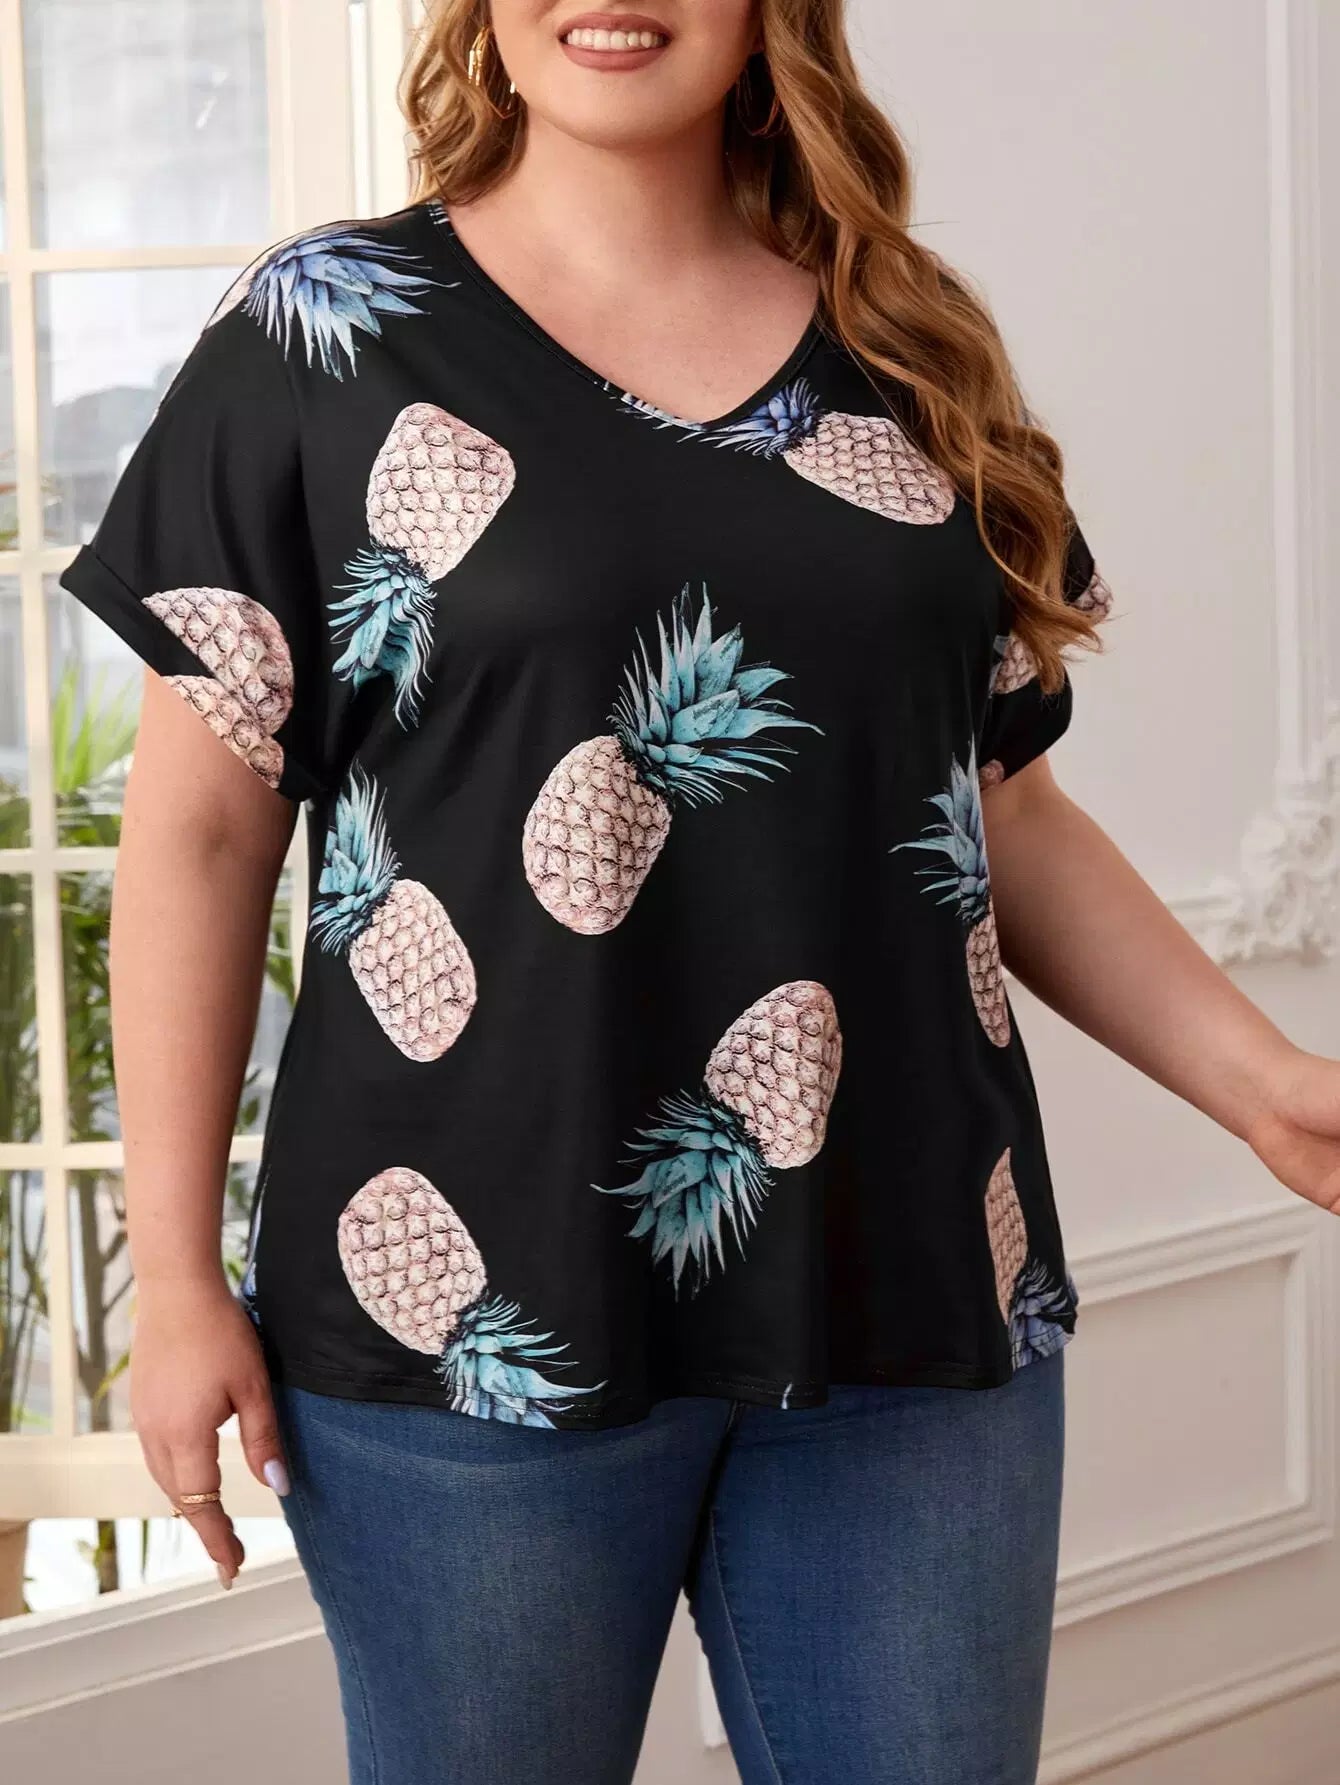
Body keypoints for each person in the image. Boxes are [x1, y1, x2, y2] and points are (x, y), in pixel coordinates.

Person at [60, 4, 1340, 1782]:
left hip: (910, 1294)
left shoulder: (908, 344)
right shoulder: (321, 334)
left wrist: (1268, 1085)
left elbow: (999, 806)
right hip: (466, 1322)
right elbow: (202, 837)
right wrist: (179, 1274)